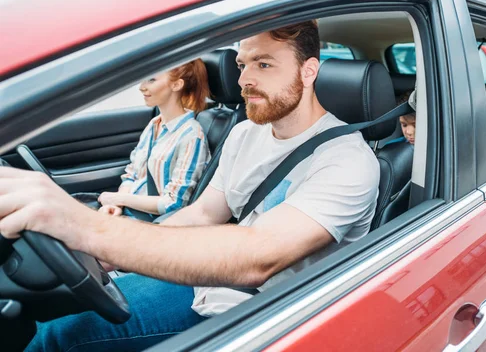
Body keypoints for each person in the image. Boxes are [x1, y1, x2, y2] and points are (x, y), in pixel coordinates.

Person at [0, 21, 379, 351]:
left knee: (61, 336)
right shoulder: (246, 132)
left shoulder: (346, 160)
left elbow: (260, 257)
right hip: (208, 282)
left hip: (262, 313)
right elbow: (203, 213)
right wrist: (111, 255)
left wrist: (89, 229)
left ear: (309, 70)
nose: (245, 79)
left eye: (264, 64)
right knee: (57, 319)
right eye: (243, 64)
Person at [86, 59, 212, 219]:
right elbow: (133, 173)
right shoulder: (155, 124)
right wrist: (115, 205)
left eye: (151, 79)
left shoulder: (192, 136)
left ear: (176, 85)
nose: (141, 87)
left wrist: (120, 199)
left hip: (151, 221)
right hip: (128, 209)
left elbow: (174, 203)